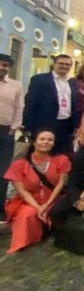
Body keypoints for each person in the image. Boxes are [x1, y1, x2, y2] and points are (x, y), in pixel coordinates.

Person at [3, 129, 70, 253]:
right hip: (29, 200)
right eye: (42, 139)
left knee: (57, 210)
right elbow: (22, 191)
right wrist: (38, 207)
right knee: (27, 215)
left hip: (54, 198)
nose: (46, 142)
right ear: (34, 142)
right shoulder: (20, 164)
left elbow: (61, 184)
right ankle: (25, 242)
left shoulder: (61, 159)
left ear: (54, 143)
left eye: (50, 140)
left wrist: (47, 203)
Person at [23, 54, 78, 155]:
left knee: (63, 155)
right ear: (54, 64)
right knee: (42, 154)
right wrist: (28, 126)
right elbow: (30, 103)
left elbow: (74, 104)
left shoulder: (72, 82)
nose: (64, 66)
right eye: (61, 63)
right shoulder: (39, 80)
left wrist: (75, 125)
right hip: (45, 124)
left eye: (67, 64)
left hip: (65, 126)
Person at [0, 53, 24, 222]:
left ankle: (0, 208)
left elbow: (19, 108)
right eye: (1, 64)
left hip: (5, 131)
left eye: (6, 66)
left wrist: (13, 129)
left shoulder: (15, 85)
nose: (3, 68)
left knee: (2, 171)